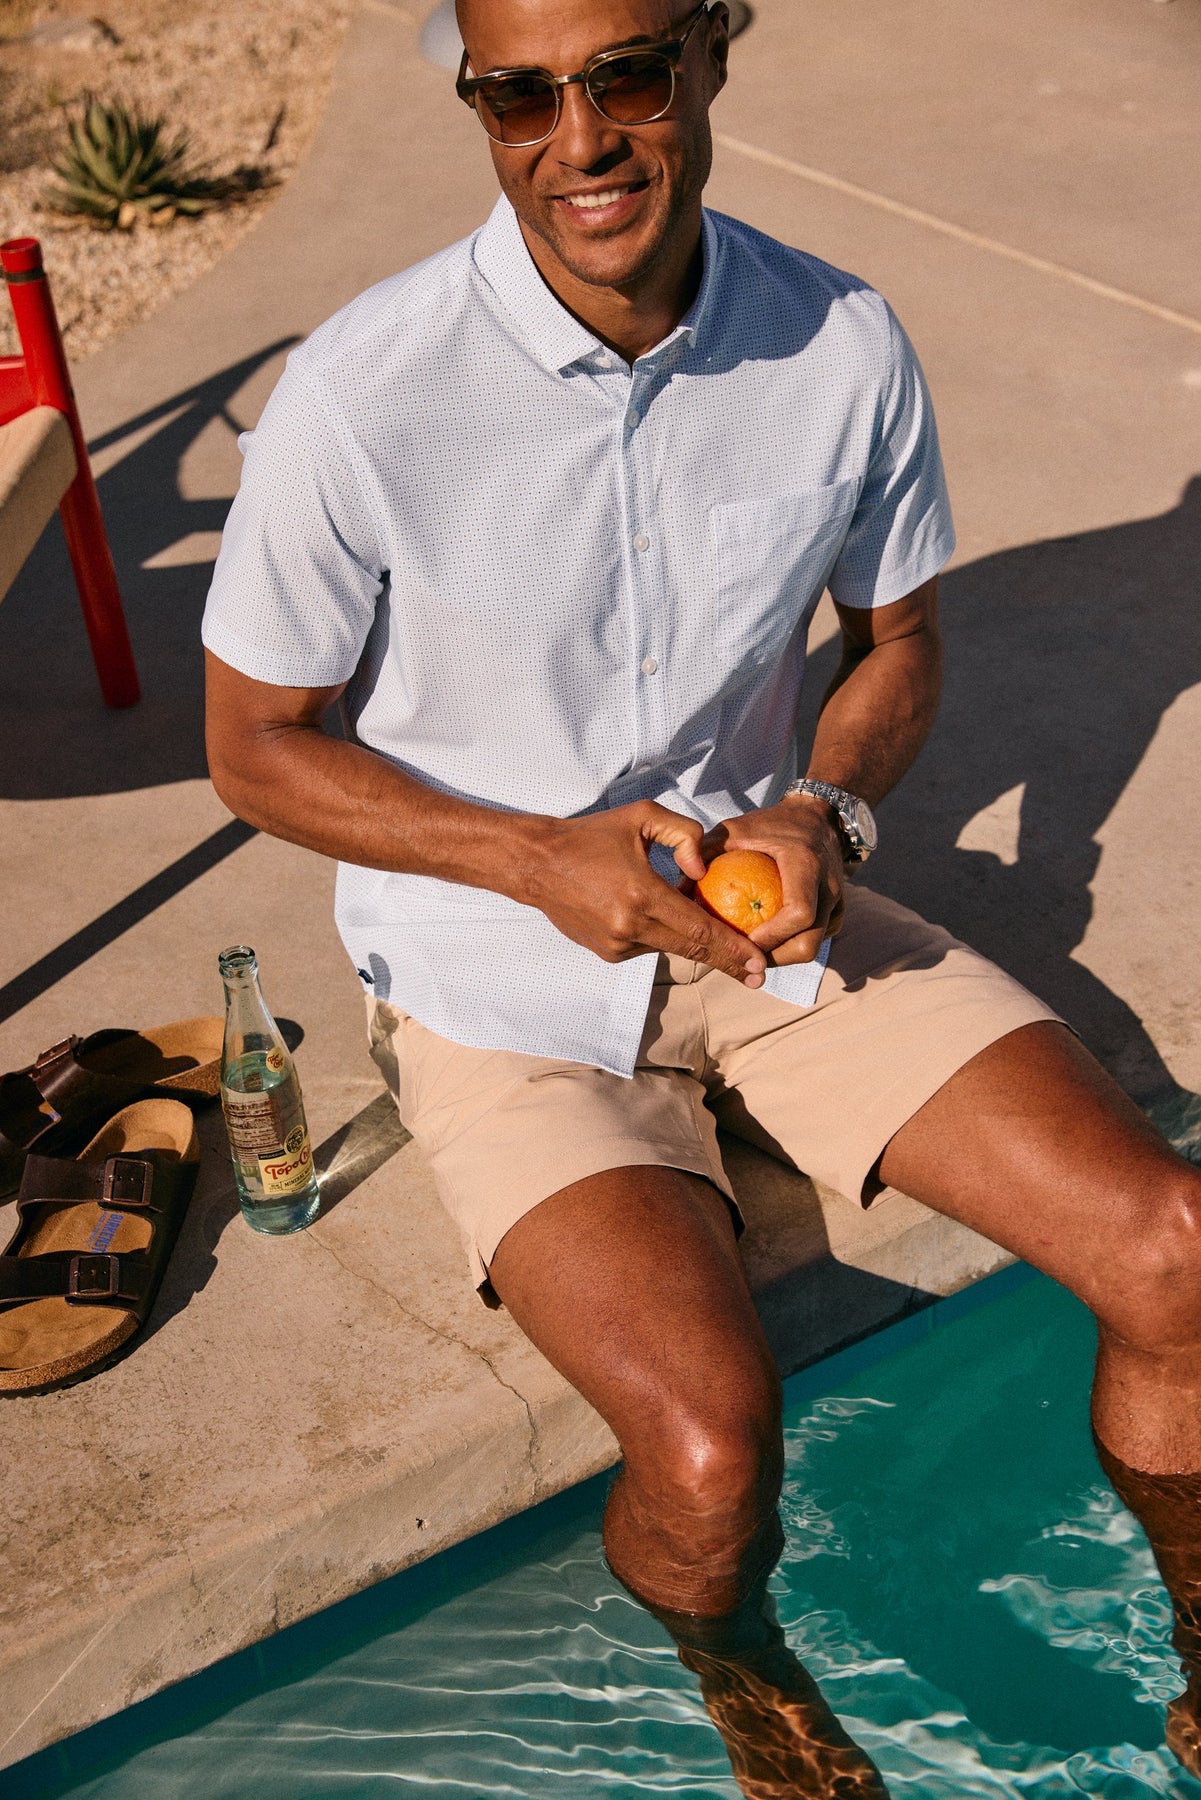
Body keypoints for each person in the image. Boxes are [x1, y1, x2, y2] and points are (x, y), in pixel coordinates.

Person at [202, 1, 1201, 1791]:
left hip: (769, 914)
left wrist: (827, 807)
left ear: (713, 52)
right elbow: (254, 747)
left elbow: (895, 644)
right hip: (493, 971)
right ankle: (749, 1688)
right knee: (706, 1451)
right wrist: (530, 855)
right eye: (517, 94)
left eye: (624, 73)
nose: (577, 136)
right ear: (476, 103)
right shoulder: (363, 392)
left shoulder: (839, 338)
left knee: (1177, 1254)